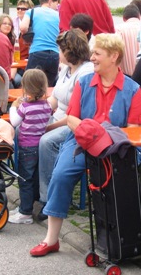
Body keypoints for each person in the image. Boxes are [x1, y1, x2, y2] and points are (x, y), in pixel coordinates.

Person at [29, 33, 141, 257]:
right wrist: (92, 136)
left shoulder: (132, 89)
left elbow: (134, 129)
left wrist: (105, 140)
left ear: (114, 56)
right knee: (61, 175)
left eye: (97, 54)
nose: (92, 58)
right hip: (81, 141)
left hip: (114, 148)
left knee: (118, 182)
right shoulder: (84, 82)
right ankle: (51, 239)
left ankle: (116, 239)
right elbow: (71, 118)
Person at [37, 29, 94, 221]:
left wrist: (47, 127)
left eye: (60, 49)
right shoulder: (66, 69)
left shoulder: (85, 72)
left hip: (72, 124)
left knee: (46, 141)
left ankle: (48, 198)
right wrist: (37, 115)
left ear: (70, 50)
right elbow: (54, 98)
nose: (58, 52)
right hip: (58, 117)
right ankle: (30, 189)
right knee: (23, 130)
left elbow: (75, 114)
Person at [8, 69, 52, 224]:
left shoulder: (25, 107)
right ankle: (27, 206)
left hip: (26, 147)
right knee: (34, 177)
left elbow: (14, 122)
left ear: (26, 88)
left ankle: (25, 212)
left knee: (24, 179)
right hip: (39, 146)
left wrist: (13, 106)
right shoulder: (46, 106)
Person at [20, 0, 60, 86]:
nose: (56, 7)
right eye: (56, 4)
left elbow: (23, 28)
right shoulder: (58, 15)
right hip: (55, 54)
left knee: (30, 84)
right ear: (50, 1)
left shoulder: (31, 12)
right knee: (48, 86)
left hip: (37, 52)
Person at [115, 4, 140, 76]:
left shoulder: (119, 29)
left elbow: (115, 48)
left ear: (123, 18)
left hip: (126, 76)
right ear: (139, 16)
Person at [0, 14, 20, 87]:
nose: (7, 26)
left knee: (20, 80)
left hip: (11, 69)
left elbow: (14, 60)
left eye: (9, 24)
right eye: (4, 23)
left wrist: (12, 74)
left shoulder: (13, 40)